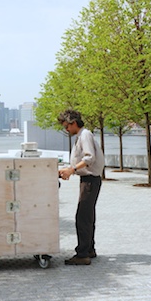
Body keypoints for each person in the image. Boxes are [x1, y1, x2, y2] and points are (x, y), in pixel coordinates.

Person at [57, 109, 104, 265]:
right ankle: (89, 249)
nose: (66, 130)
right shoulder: (82, 135)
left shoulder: (85, 135)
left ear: (74, 123)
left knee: (82, 217)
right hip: (89, 179)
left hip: (90, 180)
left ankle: (82, 254)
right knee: (88, 216)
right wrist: (68, 169)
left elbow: (89, 158)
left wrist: (72, 170)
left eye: (67, 126)